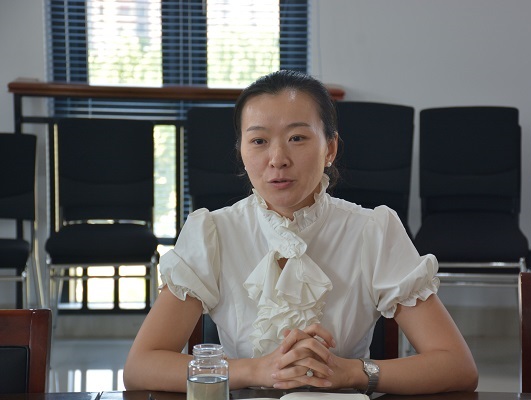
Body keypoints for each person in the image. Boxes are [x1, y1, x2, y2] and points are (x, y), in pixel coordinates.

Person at [123, 70, 478, 394]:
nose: (277, 158)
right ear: (241, 152)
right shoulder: (213, 232)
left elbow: (457, 366)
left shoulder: (373, 230)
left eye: (297, 137)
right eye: (259, 141)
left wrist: (352, 372)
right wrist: (257, 370)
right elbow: (141, 366)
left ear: (330, 148)